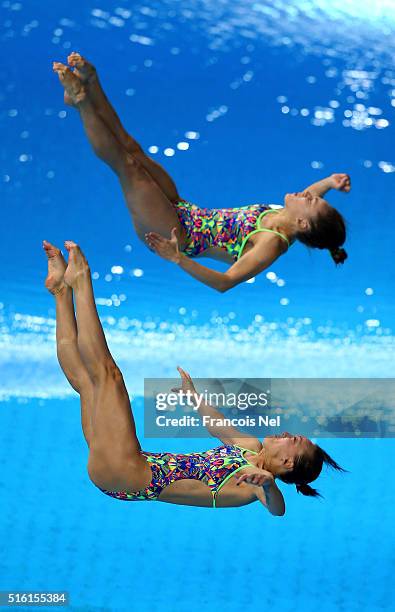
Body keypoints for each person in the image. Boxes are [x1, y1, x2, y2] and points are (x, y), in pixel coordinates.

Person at [43, 239, 345, 514]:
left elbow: (278, 510)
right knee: (87, 384)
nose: (287, 433)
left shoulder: (253, 487)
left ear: (288, 463)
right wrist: (194, 398)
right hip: (122, 470)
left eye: (294, 440)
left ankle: (81, 281)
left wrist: (267, 483)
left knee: (109, 377)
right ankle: (61, 292)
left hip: (127, 471)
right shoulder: (249, 446)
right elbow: (217, 425)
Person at [52, 53, 350, 293]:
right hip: (185, 211)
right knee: (133, 149)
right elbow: (313, 198)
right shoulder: (293, 220)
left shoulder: (272, 243)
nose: (308, 194)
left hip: (173, 234)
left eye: (311, 200)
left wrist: (176, 257)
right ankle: (92, 85)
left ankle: (80, 101)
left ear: (303, 222)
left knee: (126, 166)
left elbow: (225, 282)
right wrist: (330, 182)